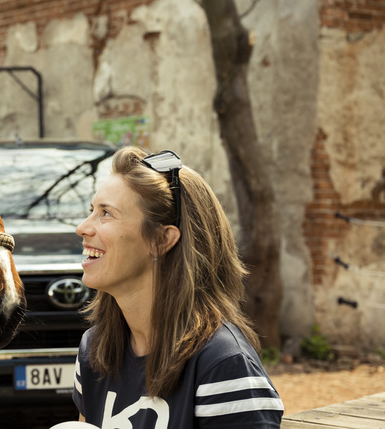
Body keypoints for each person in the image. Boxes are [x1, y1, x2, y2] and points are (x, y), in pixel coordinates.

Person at [56, 147, 283, 428]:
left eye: (106, 214)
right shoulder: (95, 350)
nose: (82, 227)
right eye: (92, 210)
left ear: (162, 240)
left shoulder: (223, 365)